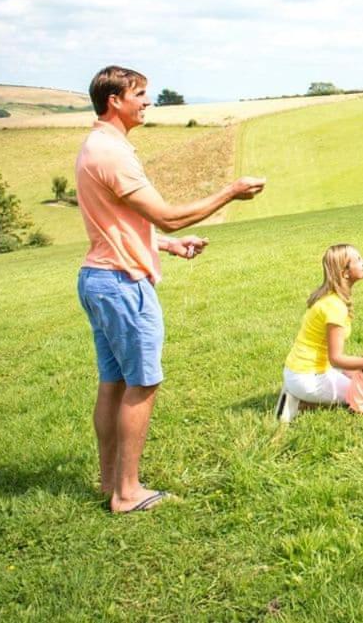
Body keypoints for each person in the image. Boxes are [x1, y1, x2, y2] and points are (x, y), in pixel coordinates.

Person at [76, 65, 266, 513]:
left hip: (99, 277)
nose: (147, 102)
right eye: (140, 94)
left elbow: (117, 223)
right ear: (114, 101)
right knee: (142, 383)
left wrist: (165, 245)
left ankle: (110, 482)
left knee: (113, 383)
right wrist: (230, 192)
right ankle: (127, 493)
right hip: (122, 284)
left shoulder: (97, 146)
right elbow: (168, 215)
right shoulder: (112, 153)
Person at [276, 244, 363, 422]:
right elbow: (336, 358)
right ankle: (299, 403)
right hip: (308, 377)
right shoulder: (334, 306)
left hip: (306, 370)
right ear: (344, 272)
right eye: (359, 260)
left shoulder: (332, 298)